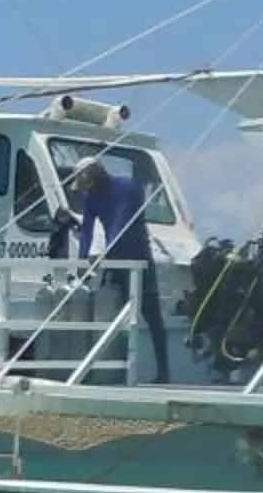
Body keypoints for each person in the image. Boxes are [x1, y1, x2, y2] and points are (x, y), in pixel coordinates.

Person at [55, 152, 174, 381]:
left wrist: (105, 251)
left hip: (138, 258)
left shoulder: (128, 188)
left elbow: (122, 220)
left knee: (152, 316)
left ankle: (163, 372)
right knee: (109, 312)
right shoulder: (91, 197)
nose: (84, 188)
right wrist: (83, 259)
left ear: (93, 175)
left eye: (84, 182)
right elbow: (87, 229)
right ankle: (109, 371)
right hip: (115, 260)